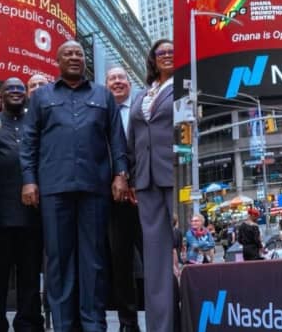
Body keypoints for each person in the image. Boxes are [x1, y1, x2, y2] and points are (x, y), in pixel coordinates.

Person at [20, 40, 130, 332]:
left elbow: (117, 140)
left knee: (94, 260)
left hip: (95, 188)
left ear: (85, 61)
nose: (74, 57)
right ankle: (64, 325)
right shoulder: (42, 97)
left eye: (79, 54)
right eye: (68, 53)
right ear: (58, 61)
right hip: (53, 189)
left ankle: (94, 324)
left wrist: (120, 175)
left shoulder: (103, 95)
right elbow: (29, 142)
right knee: (59, 260)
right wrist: (29, 180)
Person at [125, 40, 176, 331]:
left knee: (187, 248)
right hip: (145, 181)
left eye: (171, 52)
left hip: (177, 176)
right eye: (161, 53)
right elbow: (132, 139)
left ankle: (197, 315)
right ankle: (161, 326)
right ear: (153, 60)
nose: (167, 55)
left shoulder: (185, 87)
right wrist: (131, 176)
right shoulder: (140, 95)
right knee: (155, 261)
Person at [0, 78, 44, 332]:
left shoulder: (35, 123)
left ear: (26, 95)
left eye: (20, 89)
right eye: (10, 89)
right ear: (1, 95)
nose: (15, 92)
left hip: (32, 214)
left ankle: (28, 323)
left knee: (30, 275)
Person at [104, 66, 141, 332]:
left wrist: (136, 183)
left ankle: (165, 312)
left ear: (130, 84)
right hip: (112, 199)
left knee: (155, 257)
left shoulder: (141, 108)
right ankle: (128, 323)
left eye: (121, 78)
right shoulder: (101, 113)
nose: (117, 82)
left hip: (142, 195)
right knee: (121, 262)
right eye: (112, 79)